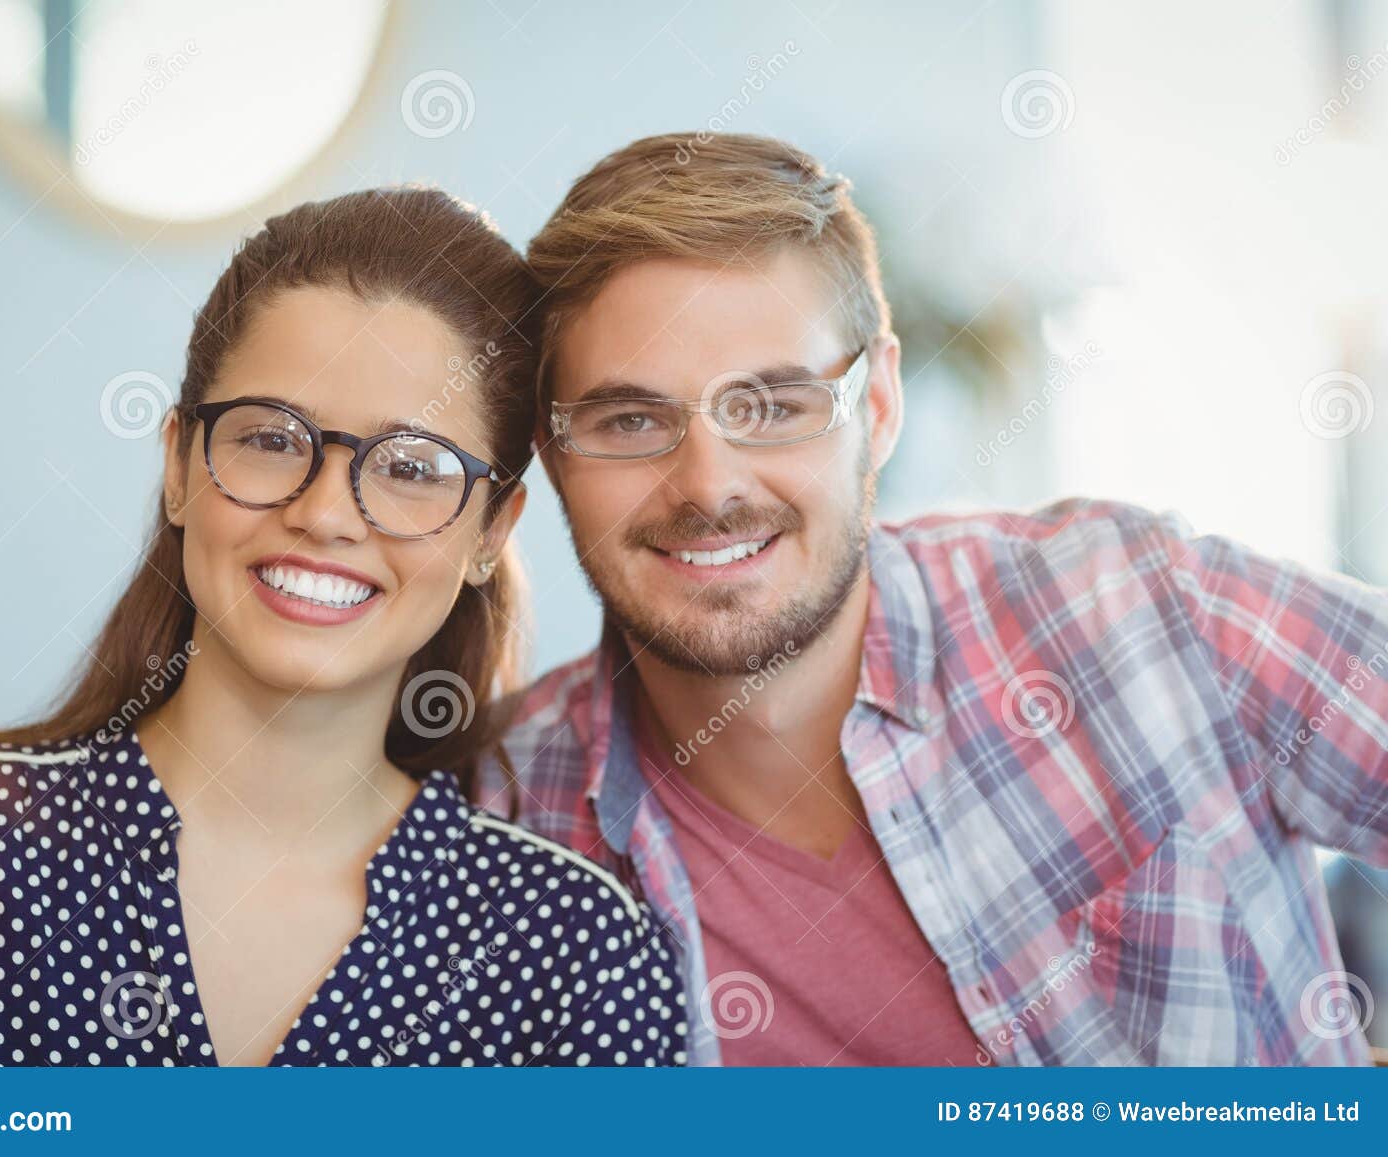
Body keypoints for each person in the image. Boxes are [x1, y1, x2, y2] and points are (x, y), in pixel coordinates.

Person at [479, 132, 1388, 1067]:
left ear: (877, 408)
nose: (708, 487)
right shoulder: (499, 819)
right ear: (553, 456)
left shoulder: (1138, 605)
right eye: (630, 420)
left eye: (776, 406)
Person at [0, 188, 684, 1068]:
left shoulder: (581, 956)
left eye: (412, 466)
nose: (328, 515)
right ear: (179, 464)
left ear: (491, 533)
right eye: (271, 439)